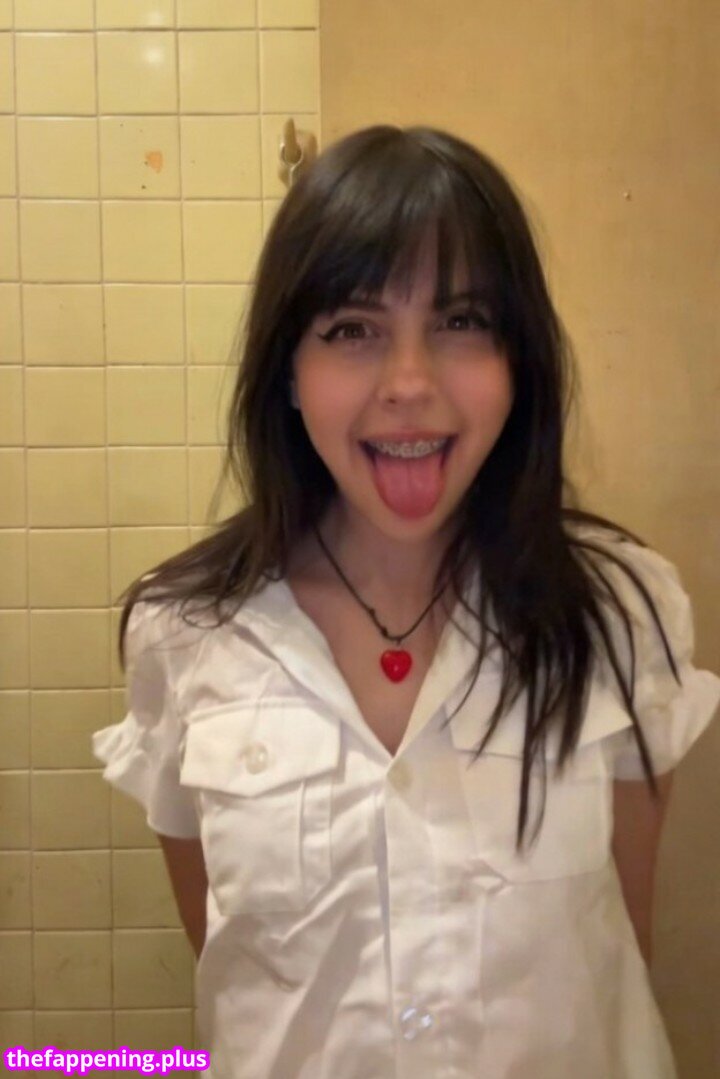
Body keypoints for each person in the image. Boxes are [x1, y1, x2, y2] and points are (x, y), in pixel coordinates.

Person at [92, 125, 720, 1079]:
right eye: (353, 330)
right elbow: (234, 963)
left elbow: (618, 952)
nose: (411, 384)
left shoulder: (620, 614)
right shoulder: (185, 632)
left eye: (462, 322)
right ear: (288, 372)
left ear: (519, 362)